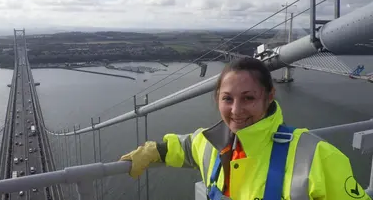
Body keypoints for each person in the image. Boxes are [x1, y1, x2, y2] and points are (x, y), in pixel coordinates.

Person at [120, 57, 370, 200]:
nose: (236, 110)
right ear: (217, 98)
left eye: (248, 98)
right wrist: (152, 150)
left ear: (269, 97)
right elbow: (184, 146)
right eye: (227, 99)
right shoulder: (209, 143)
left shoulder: (316, 155)